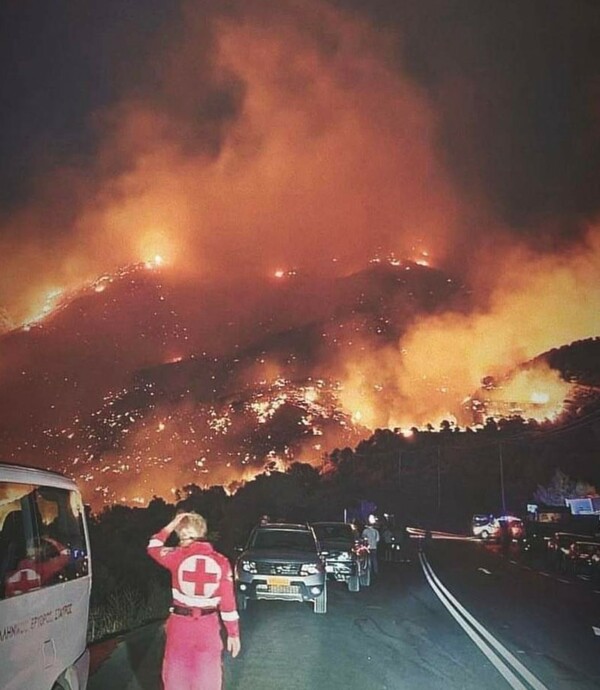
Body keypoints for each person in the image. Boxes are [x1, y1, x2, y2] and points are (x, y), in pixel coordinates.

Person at [147, 512, 241, 690]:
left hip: (179, 627)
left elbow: (153, 546)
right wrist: (233, 633)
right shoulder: (222, 562)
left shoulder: (177, 556)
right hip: (208, 628)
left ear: (183, 535)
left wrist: (172, 523)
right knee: (208, 681)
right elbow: (228, 604)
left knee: (176, 680)